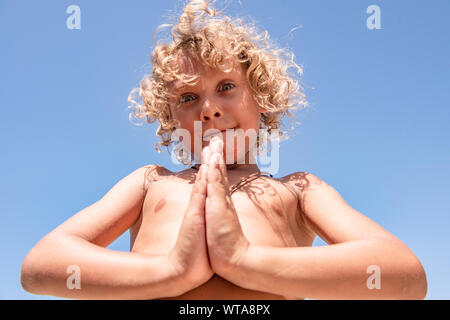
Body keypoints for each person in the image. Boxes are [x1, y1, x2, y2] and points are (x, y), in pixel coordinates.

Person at [20, 0, 427, 300]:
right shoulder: (150, 184)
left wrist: (244, 260)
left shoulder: (299, 190)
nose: (209, 108)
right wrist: (171, 270)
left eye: (227, 88)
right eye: (187, 98)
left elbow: (404, 276)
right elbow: (40, 267)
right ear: (170, 119)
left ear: (262, 99)